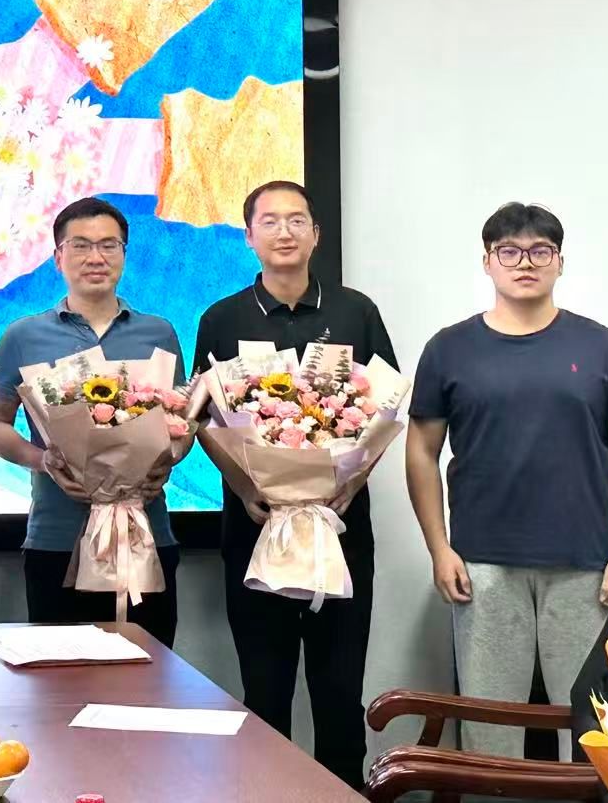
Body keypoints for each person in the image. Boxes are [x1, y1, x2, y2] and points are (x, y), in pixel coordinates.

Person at [406, 202, 608, 759]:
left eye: (540, 251)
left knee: (596, 729)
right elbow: (421, 452)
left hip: (587, 564)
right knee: (489, 726)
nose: (525, 262)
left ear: (559, 262)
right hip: (482, 565)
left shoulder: (603, 348)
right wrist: (439, 547)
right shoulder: (449, 349)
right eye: (510, 251)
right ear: (487, 262)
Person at [191, 181, 396, 790]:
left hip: (341, 530)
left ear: (315, 233)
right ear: (248, 235)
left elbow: (385, 408)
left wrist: (352, 484)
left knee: (339, 693)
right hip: (255, 530)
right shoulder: (221, 318)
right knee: (265, 691)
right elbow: (202, 418)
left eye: (297, 220)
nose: (285, 231)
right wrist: (243, 486)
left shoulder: (355, 311)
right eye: (270, 221)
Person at [0, 197, 184, 647]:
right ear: (58, 257)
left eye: (109, 245)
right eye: (81, 245)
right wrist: (43, 460)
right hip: (57, 539)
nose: (96, 257)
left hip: (147, 536)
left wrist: (165, 460)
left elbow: (180, 421)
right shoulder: (23, 335)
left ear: (124, 255)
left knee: (151, 673)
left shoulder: (159, 332)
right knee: (60, 677)